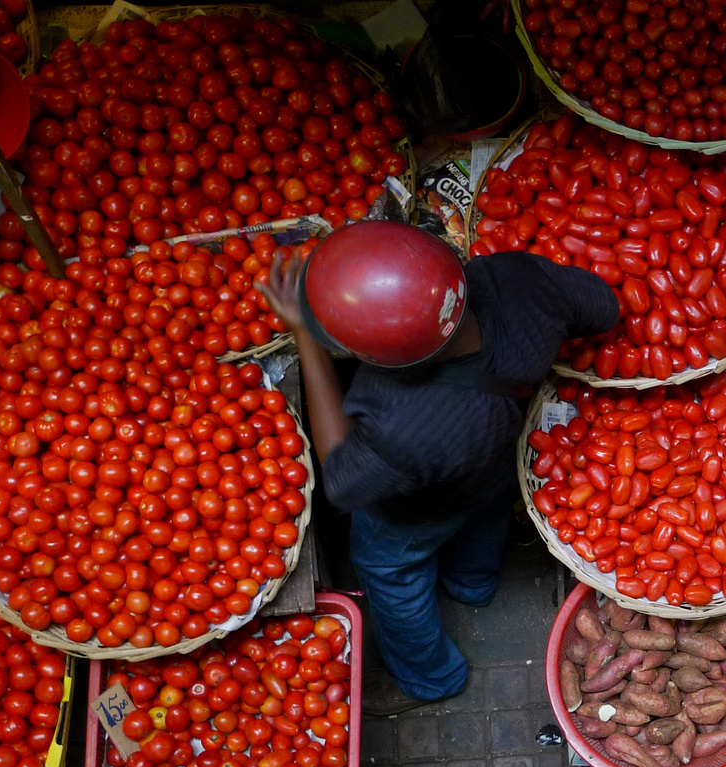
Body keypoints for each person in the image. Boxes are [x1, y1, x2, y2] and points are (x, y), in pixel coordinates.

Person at [258, 221, 619, 706]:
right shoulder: (514, 278)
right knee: (487, 509)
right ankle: (473, 585)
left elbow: (342, 481)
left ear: (371, 358)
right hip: (496, 448)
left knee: (391, 569)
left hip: (423, 504)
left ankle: (434, 678)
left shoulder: (398, 416)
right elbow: (603, 307)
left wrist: (305, 335)